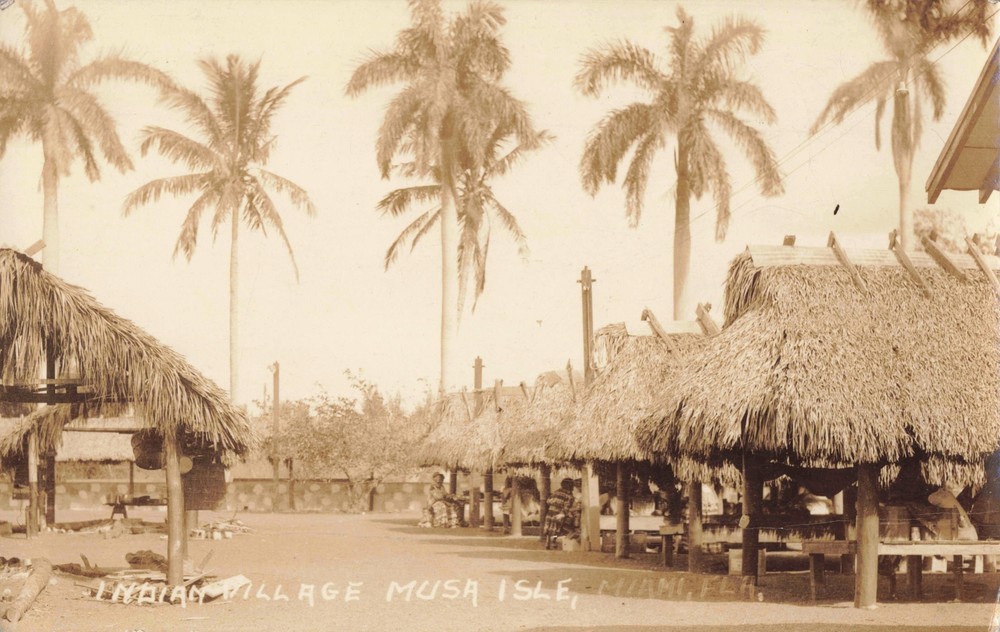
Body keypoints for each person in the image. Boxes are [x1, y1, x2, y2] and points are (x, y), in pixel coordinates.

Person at [543, 478, 580, 549]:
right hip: (559, 513)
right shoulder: (569, 495)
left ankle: (547, 542)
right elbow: (567, 506)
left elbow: (548, 501)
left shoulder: (556, 492)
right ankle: (553, 542)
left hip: (550, 512)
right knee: (556, 530)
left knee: (548, 529)